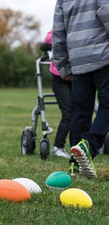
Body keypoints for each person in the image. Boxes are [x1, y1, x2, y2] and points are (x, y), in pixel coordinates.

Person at [52, 0, 109, 179]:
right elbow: (107, 9)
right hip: (104, 55)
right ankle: (89, 144)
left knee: (80, 112)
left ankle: (76, 166)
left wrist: (63, 65)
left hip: (78, 60)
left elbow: (58, 28)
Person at [42, 30, 71, 158]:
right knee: (69, 112)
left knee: (82, 111)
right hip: (60, 78)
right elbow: (48, 39)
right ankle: (58, 146)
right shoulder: (59, 28)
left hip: (78, 76)